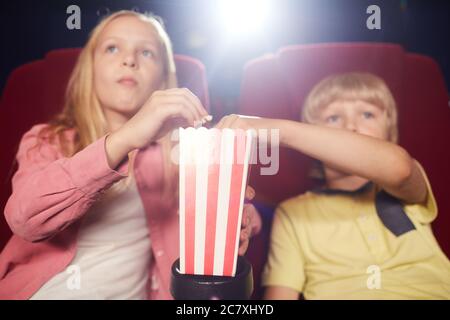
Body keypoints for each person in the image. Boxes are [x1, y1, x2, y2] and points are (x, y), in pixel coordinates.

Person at [0, 10, 260, 300]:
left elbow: (236, 205)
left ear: (163, 79)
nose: (130, 60)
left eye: (146, 53)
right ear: (91, 69)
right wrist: (124, 139)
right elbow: (24, 219)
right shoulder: (48, 139)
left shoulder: (182, 149)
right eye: (112, 48)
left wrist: (240, 214)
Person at [218, 72, 450, 299]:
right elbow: (281, 294)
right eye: (333, 118)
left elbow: (399, 168)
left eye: (368, 114)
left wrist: (279, 131)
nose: (351, 126)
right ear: (312, 139)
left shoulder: (405, 186)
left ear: (390, 132)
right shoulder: (293, 212)